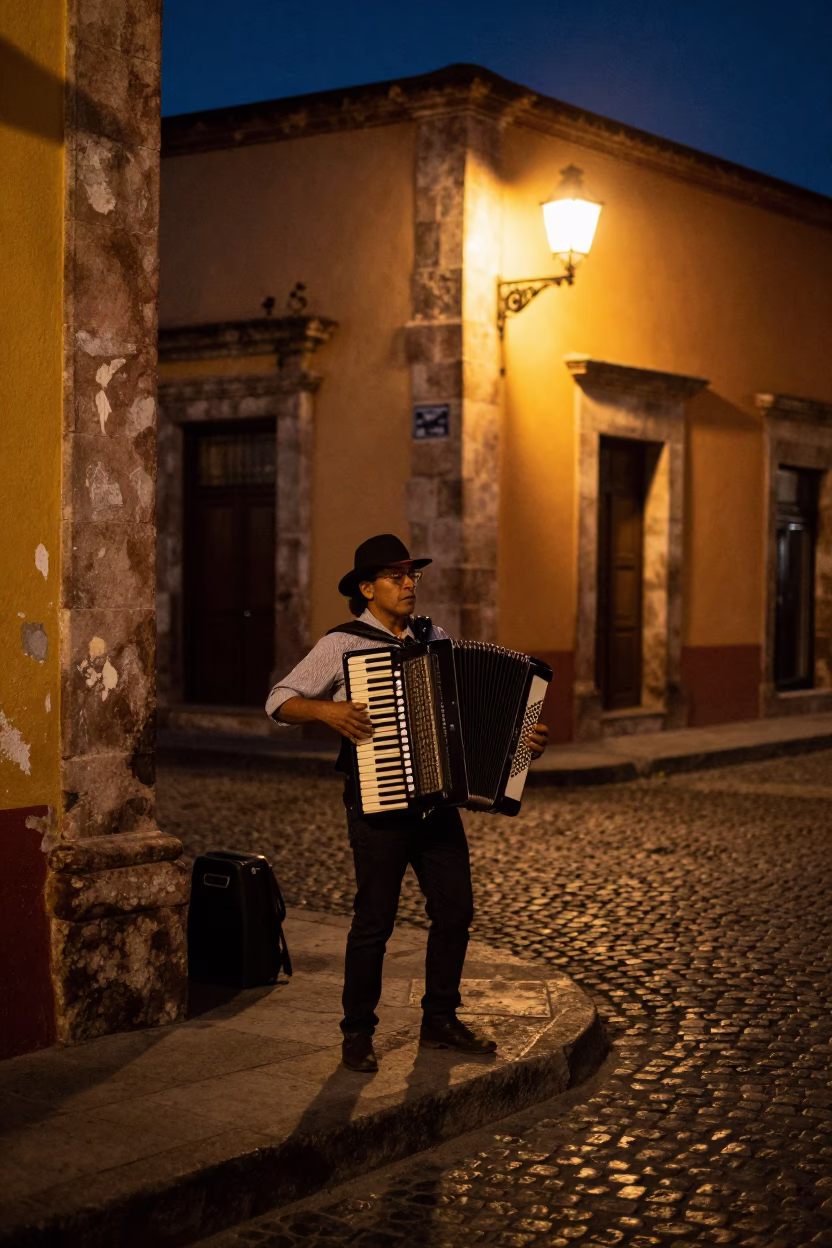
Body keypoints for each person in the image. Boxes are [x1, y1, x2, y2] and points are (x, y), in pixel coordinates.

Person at [266, 534, 549, 1072]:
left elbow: (463, 714)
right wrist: (327, 712)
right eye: (395, 577)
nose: (408, 583)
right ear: (368, 589)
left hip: (436, 802)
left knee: (456, 910)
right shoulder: (342, 644)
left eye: (411, 574)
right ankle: (357, 1032)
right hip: (379, 803)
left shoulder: (433, 637)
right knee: (374, 920)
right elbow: (277, 701)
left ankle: (440, 1018)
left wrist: (521, 736)